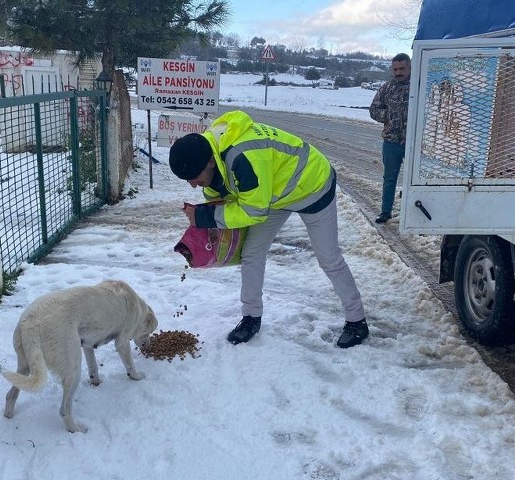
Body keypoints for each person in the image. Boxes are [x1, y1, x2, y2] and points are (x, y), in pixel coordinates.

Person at [168, 110, 368, 348]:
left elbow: (252, 212)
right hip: (272, 195)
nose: (192, 185)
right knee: (252, 253)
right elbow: (223, 202)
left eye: (194, 177)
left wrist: (203, 216)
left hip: (312, 186)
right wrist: (207, 223)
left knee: (328, 258)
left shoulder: (243, 157)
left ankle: (357, 322)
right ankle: (251, 317)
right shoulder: (210, 157)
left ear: (209, 161)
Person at [369, 52, 411, 224]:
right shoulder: (386, 88)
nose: (398, 72)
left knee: (413, 180)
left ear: (409, 67)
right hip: (392, 142)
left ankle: (413, 216)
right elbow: (373, 110)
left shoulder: (420, 86)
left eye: (402, 68)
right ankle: (386, 211)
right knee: (389, 178)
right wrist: (388, 115)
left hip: (414, 143)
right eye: (395, 69)